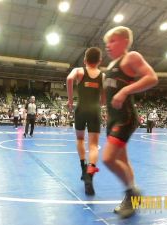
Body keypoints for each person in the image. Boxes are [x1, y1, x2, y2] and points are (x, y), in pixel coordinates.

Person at [102, 26, 158, 218]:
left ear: (125, 41)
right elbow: (109, 95)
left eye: (113, 41)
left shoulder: (131, 57)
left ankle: (133, 193)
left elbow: (152, 77)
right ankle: (131, 198)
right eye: (106, 43)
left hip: (125, 118)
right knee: (123, 161)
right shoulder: (110, 67)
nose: (108, 46)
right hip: (112, 119)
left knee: (108, 159)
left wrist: (125, 91)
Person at [66, 47, 105, 195]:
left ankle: (83, 168)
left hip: (81, 109)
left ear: (84, 60)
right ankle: (90, 172)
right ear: (99, 61)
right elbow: (104, 96)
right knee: (94, 145)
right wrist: (100, 102)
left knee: (80, 139)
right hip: (95, 110)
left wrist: (70, 101)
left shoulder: (79, 71)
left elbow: (69, 79)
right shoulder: (102, 76)